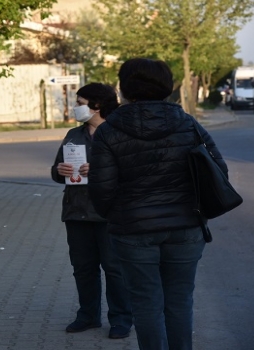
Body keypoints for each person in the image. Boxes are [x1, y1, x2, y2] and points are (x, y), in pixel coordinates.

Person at [88, 58, 227, 350]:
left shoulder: (108, 130)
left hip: (133, 231)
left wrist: (119, 216)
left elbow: (101, 191)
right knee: (179, 301)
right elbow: (218, 171)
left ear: (125, 88)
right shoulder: (188, 123)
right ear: (167, 86)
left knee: (145, 304)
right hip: (186, 226)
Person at [51, 83, 133, 339]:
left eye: (80, 102)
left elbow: (133, 174)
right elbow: (56, 171)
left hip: (110, 214)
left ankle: (121, 319)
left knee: (115, 268)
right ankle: (88, 315)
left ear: (96, 105)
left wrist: (100, 171)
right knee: (83, 268)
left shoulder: (120, 134)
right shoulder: (74, 135)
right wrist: (59, 171)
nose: (76, 107)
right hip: (77, 212)